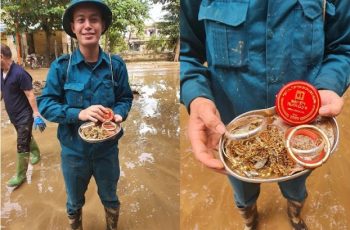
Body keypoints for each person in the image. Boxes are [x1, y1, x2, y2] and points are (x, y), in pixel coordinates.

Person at [180, 0, 350, 229]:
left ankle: (295, 214)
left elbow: (342, 47)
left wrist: (329, 85)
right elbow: (187, 54)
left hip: (300, 133)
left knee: (296, 186)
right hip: (233, 136)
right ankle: (249, 219)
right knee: (242, 189)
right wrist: (197, 97)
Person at [37, 0, 133, 229]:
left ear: (102, 25)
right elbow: (46, 104)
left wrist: (118, 114)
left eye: (94, 19)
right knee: (74, 201)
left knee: (110, 198)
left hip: (107, 152)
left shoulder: (115, 66)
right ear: (73, 26)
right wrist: (79, 113)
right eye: (81, 20)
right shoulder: (62, 67)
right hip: (73, 153)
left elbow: (125, 99)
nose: (87, 25)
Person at [1, 44, 46, 188]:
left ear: (1, 57)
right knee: (25, 136)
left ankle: (20, 175)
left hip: (24, 115)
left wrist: (36, 113)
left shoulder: (20, 73)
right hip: (13, 114)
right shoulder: (1, 72)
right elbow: (3, 91)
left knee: (21, 143)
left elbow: (30, 94)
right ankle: (36, 152)